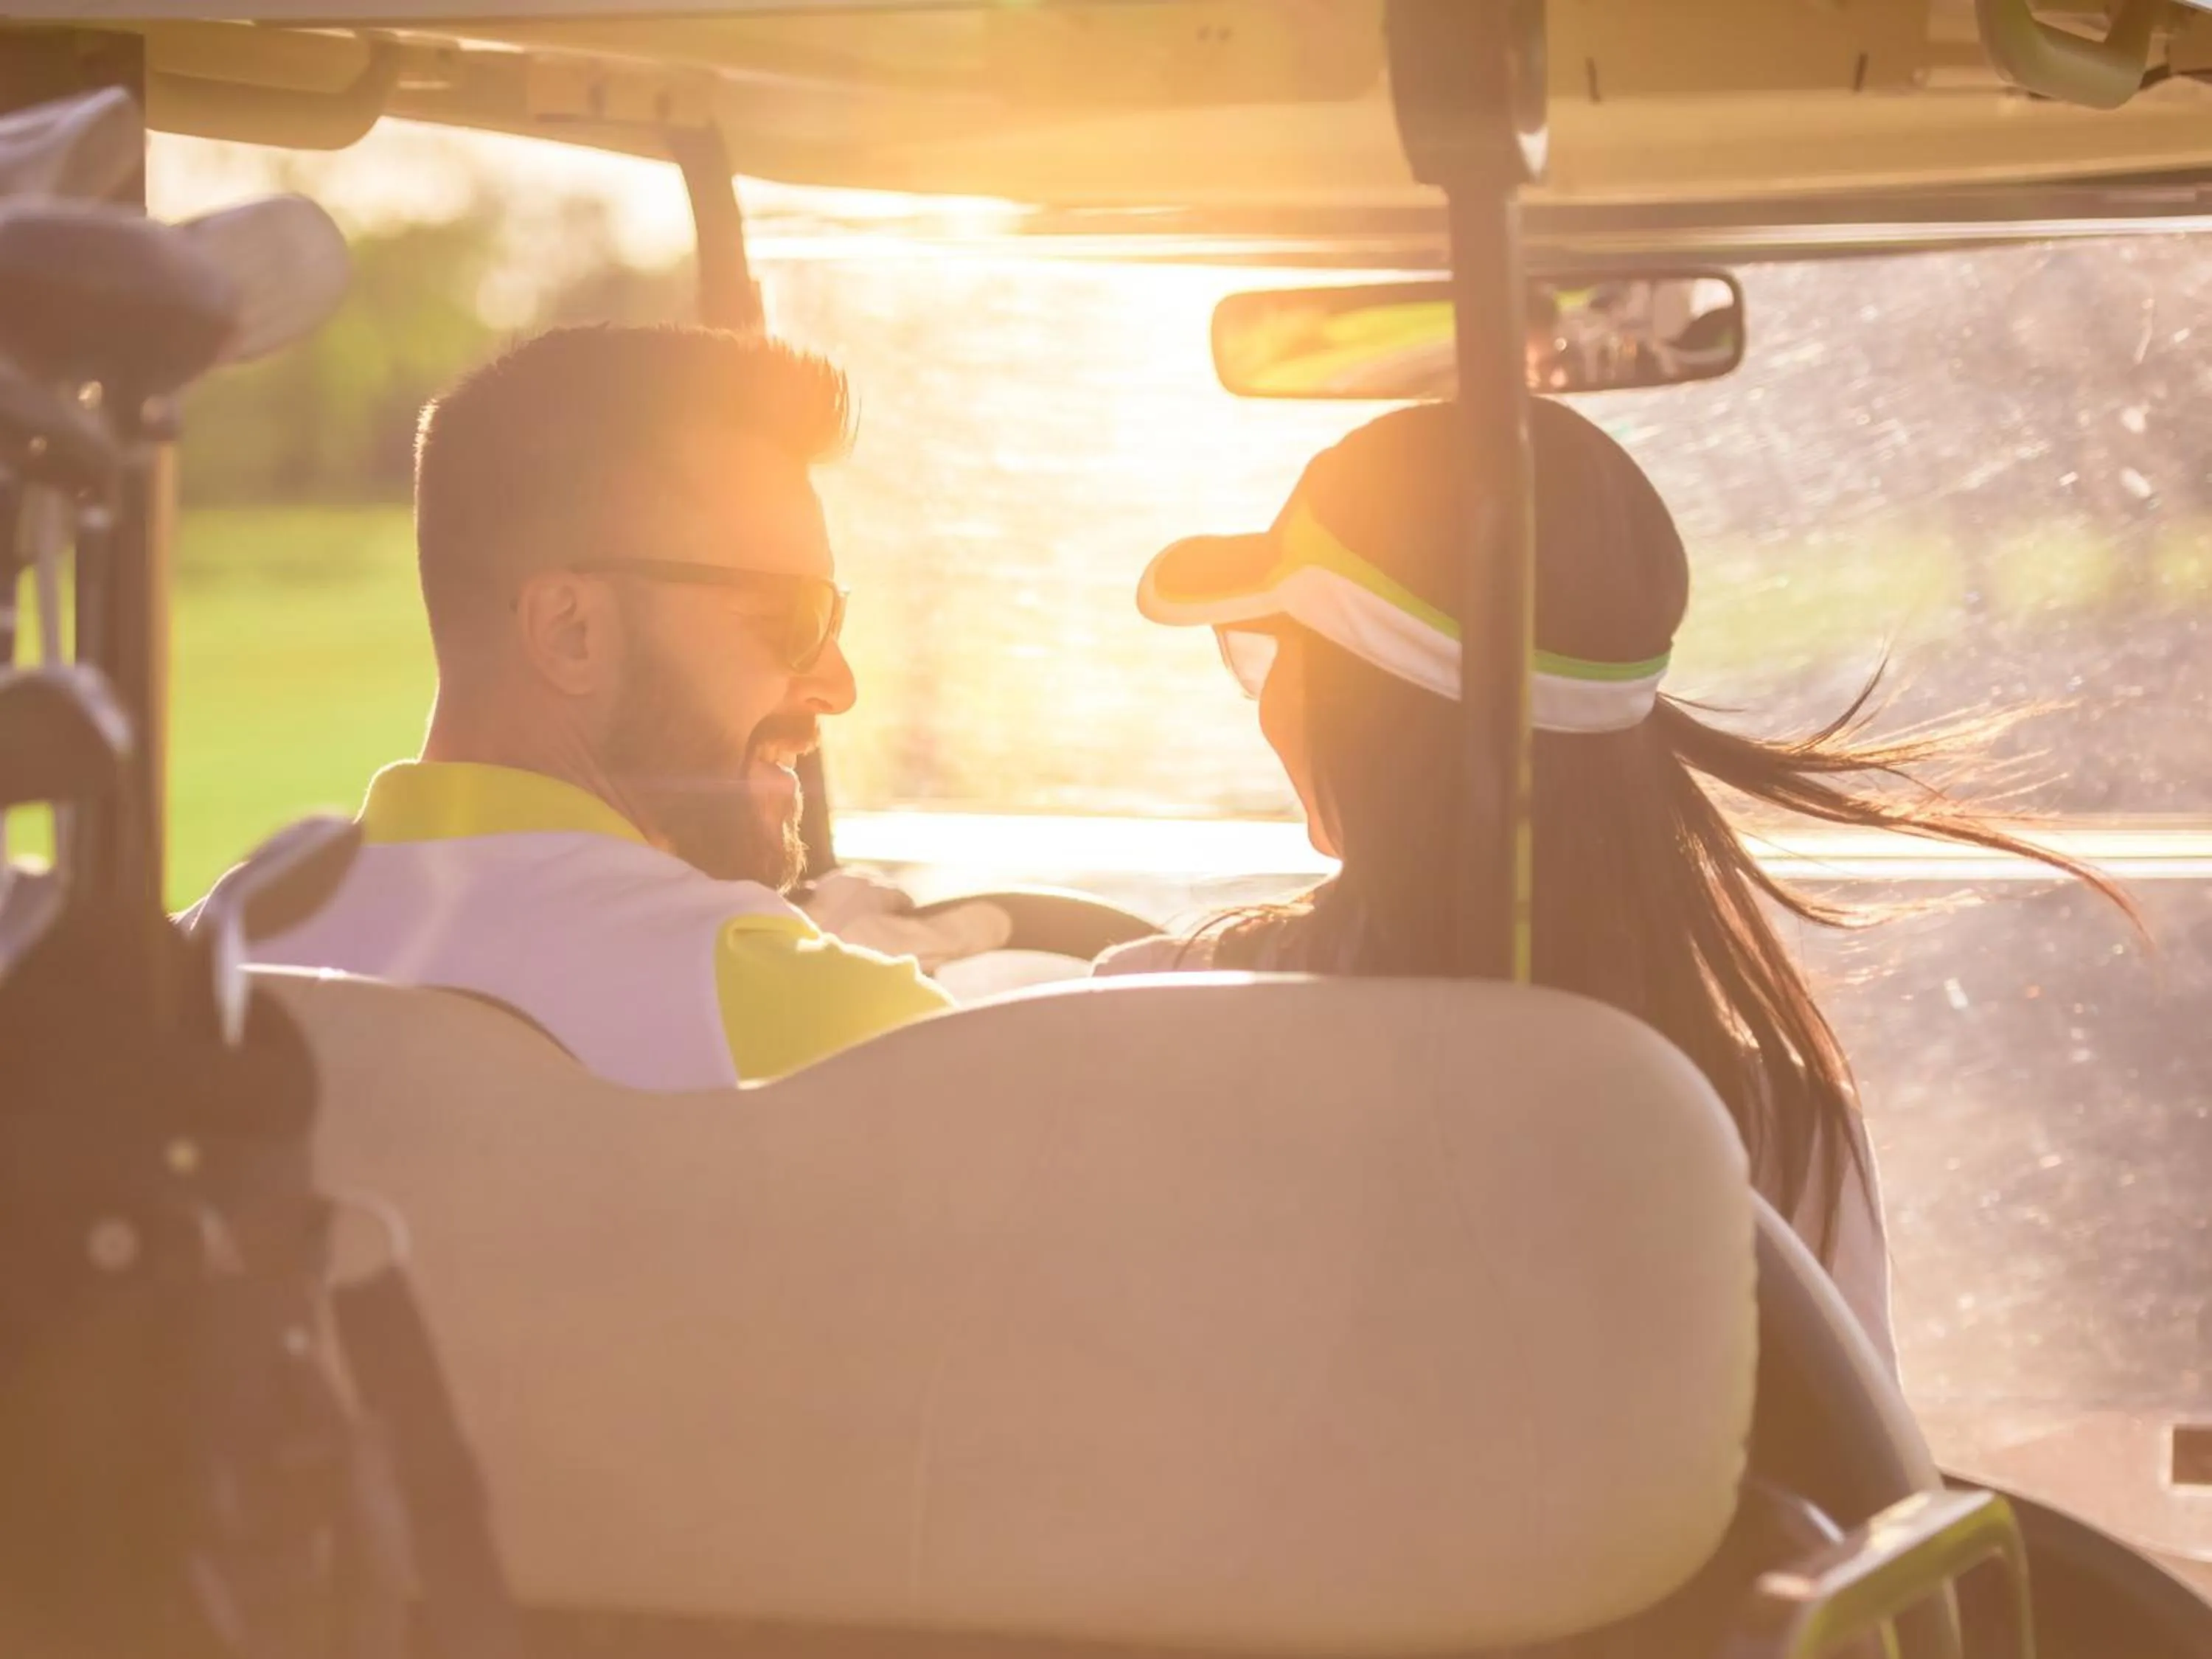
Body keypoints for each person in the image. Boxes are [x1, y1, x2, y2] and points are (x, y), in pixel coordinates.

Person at [1099, 397, 2138, 1367]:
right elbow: (1857, 1476)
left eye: (1270, 655)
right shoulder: (1778, 1126)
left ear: (1349, 712)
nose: (1265, 703)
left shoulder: (1132, 1029)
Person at [203, 324, 1004, 1090]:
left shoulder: (196, 963)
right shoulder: (835, 1022)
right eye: (793, 618)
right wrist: (803, 969)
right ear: (572, 631)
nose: (837, 683)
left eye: (834, 617)